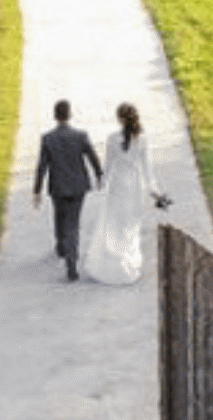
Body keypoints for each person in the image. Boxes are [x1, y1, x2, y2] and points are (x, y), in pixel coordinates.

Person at [81, 102, 169, 286]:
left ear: (120, 119)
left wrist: (101, 184)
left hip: (118, 187)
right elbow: (148, 172)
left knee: (114, 225)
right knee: (131, 227)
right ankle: (129, 268)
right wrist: (157, 193)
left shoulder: (112, 139)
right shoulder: (143, 140)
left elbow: (108, 166)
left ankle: (114, 266)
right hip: (134, 188)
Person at [33, 99, 102, 281]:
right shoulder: (80, 136)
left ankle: (62, 247)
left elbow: (42, 167)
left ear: (55, 116)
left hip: (58, 187)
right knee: (73, 222)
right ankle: (71, 259)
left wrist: (37, 190)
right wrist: (99, 175)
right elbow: (92, 157)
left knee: (59, 216)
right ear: (69, 115)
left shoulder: (48, 139)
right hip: (78, 186)